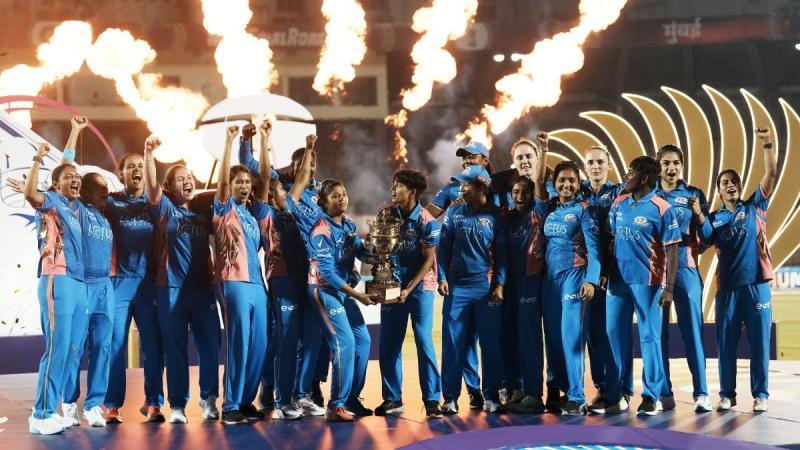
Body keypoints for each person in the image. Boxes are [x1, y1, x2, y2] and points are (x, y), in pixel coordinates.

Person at [239, 127, 329, 409]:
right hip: (282, 277)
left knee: (311, 337)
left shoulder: (294, 203)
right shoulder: (264, 210)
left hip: (307, 276)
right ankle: (275, 392)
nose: (283, 190)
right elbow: (264, 174)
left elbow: (302, 180)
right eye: (277, 188)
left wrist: (310, 147)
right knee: (285, 337)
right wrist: (260, 139)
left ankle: (303, 392)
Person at [696, 127, 777, 412]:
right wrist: (697, 214)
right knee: (726, 345)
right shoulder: (713, 219)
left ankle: (761, 395)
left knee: (760, 344)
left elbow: (771, 173)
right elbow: (703, 241)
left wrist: (767, 143)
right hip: (728, 289)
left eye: (734, 181)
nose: (730, 185)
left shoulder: (755, 206)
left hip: (757, 285)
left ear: (740, 186)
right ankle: (727, 394)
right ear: (719, 190)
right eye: (725, 182)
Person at [143, 135, 220, 424]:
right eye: (180, 179)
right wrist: (148, 154)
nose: (187, 181)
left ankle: (209, 398)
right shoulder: (164, 209)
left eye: (190, 177)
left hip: (203, 289)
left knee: (210, 346)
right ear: (169, 187)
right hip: (171, 289)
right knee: (175, 350)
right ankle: (177, 405)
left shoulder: (204, 211)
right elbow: (151, 187)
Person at [605, 156, 681, 416]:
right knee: (615, 336)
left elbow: (672, 250)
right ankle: (619, 393)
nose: (626, 177)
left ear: (645, 178)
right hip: (617, 282)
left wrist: (669, 288)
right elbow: (611, 241)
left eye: (631, 173)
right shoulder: (619, 204)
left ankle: (651, 396)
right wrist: (604, 271)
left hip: (648, 283)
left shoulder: (662, 208)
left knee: (649, 339)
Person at [23, 142, 87, 435]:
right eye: (69, 178)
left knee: (72, 351)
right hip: (56, 278)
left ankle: (53, 409)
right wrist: (38, 158)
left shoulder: (75, 209)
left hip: (77, 281)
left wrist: (75, 131)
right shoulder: (51, 201)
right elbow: (30, 193)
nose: (76, 180)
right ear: (56, 184)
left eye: (78, 177)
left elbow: (64, 168)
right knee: (57, 348)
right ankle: (41, 414)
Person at [534, 147, 601, 415]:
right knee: (552, 338)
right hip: (550, 282)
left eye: (572, 180)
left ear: (578, 183)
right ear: (555, 183)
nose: (566, 184)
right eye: (562, 180)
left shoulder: (584, 211)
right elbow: (538, 182)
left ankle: (576, 396)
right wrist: (542, 153)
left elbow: (595, 250)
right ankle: (558, 389)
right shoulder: (549, 209)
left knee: (571, 337)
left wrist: (591, 280)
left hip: (575, 278)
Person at [437, 165, 508, 415]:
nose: (461, 189)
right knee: (453, 345)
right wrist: (442, 277)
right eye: (460, 184)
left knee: (490, 345)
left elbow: (502, 255)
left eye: (466, 184)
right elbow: (443, 248)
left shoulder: (497, 215)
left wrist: (500, 284)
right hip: (456, 289)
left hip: (485, 289)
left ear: (481, 187)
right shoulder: (454, 211)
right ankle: (450, 398)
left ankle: (491, 397)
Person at [212, 124, 270, 425]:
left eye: (247, 182)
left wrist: (263, 139)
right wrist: (229, 141)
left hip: (257, 284)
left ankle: (246, 400)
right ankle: (231, 404)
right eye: (239, 182)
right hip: (232, 281)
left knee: (260, 344)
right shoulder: (224, 209)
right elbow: (222, 179)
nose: (244, 187)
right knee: (240, 342)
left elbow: (266, 180)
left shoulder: (252, 214)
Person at [307, 179, 377, 422]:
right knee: (344, 343)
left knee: (363, 341)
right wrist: (358, 295)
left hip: (342, 292)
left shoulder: (348, 223)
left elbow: (360, 251)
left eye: (344, 194)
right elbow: (327, 273)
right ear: (324, 202)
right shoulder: (321, 231)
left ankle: (351, 398)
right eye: (335, 196)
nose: (342, 198)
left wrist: (378, 251)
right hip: (324, 291)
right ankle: (335, 405)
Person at [375, 170, 443, 419]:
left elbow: (428, 260)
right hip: (392, 285)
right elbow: (380, 249)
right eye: (393, 185)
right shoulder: (386, 214)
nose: (393, 189)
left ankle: (432, 399)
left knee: (423, 340)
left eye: (398, 185)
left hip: (420, 286)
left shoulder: (427, 221)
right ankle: (393, 399)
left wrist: (408, 289)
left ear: (412, 191)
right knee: (389, 342)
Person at [425, 141, 488, 409]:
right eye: (464, 157)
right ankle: (454, 395)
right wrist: (402, 218)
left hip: (486, 282)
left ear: (485, 161)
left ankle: (486, 391)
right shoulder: (452, 188)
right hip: (457, 281)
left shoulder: (496, 191)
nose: (466, 161)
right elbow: (427, 216)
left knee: (479, 341)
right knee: (455, 340)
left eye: (472, 157)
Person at [104, 150, 165, 424]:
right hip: (119, 283)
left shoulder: (155, 202)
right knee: (115, 345)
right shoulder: (111, 202)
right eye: (131, 166)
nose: (137, 169)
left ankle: (153, 403)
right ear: (121, 174)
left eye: (141, 165)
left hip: (148, 285)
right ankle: (112, 405)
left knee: (153, 347)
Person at [654, 144, 712, 412]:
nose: (671, 168)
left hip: (686, 271)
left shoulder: (694, 194)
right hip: (657, 273)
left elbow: (709, 237)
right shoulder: (649, 194)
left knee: (693, 334)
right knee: (658, 335)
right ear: (659, 166)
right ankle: (664, 394)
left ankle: (702, 393)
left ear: (682, 165)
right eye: (666, 163)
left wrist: (698, 213)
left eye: (676, 163)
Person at [578, 146, 631, 413]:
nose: (596, 166)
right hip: (588, 275)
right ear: (585, 167)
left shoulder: (621, 192)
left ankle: (623, 389)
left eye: (600, 162)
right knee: (594, 334)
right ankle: (602, 387)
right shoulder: (578, 192)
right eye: (591, 162)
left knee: (617, 333)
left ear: (609, 165)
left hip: (617, 273)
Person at [501, 174, 546, 414]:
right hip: (507, 283)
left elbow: (540, 184)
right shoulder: (505, 217)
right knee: (509, 337)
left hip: (529, 281)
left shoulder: (537, 214)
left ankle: (534, 394)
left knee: (529, 338)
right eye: (516, 192)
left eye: (525, 192)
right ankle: (515, 389)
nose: (520, 196)